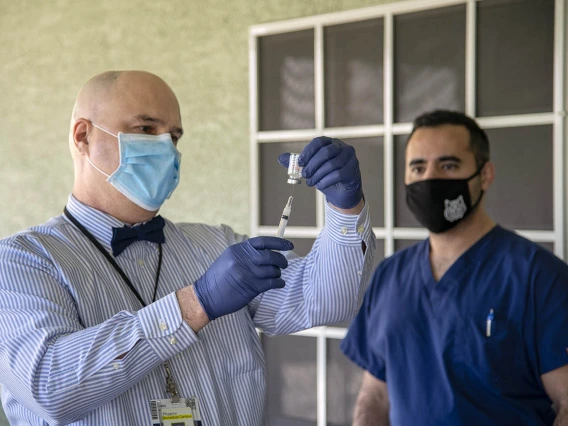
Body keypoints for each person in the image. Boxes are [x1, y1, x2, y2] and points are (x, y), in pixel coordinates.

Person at [0, 70, 376, 426]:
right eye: (146, 129)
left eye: (174, 136)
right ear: (83, 136)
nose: (166, 148)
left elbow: (327, 300)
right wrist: (195, 304)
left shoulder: (217, 244)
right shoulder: (22, 260)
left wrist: (346, 209)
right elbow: (50, 386)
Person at [341, 110, 568, 426]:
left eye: (448, 165)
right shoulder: (390, 276)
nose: (430, 179)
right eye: (418, 167)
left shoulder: (538, 277)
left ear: (485, 175)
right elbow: (375, 395)